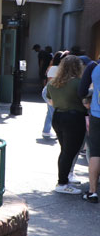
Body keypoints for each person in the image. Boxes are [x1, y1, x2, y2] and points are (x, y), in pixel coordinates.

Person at [45, 55, 87, 194]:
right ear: (78, 67)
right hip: (74, 118)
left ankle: (63, 180)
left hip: (58, 117)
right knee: (69, 152)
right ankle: (62, 183)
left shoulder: (53, 83)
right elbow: (86, 102)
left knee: (65, 151)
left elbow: (50, 101)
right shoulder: (78, 83)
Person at [78, 54, 100, 204]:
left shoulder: (94, 67)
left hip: (97, 115)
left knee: (95, 153)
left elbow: (82, 91)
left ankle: (92, 192)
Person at [41, 51, 65, 139]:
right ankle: (53, 131)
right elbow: (52, 83)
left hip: (49, 92)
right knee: (53, 113)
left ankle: (46, 131)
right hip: (50, 93)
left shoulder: (53, 68)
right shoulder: (56, 68)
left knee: (51, 112)